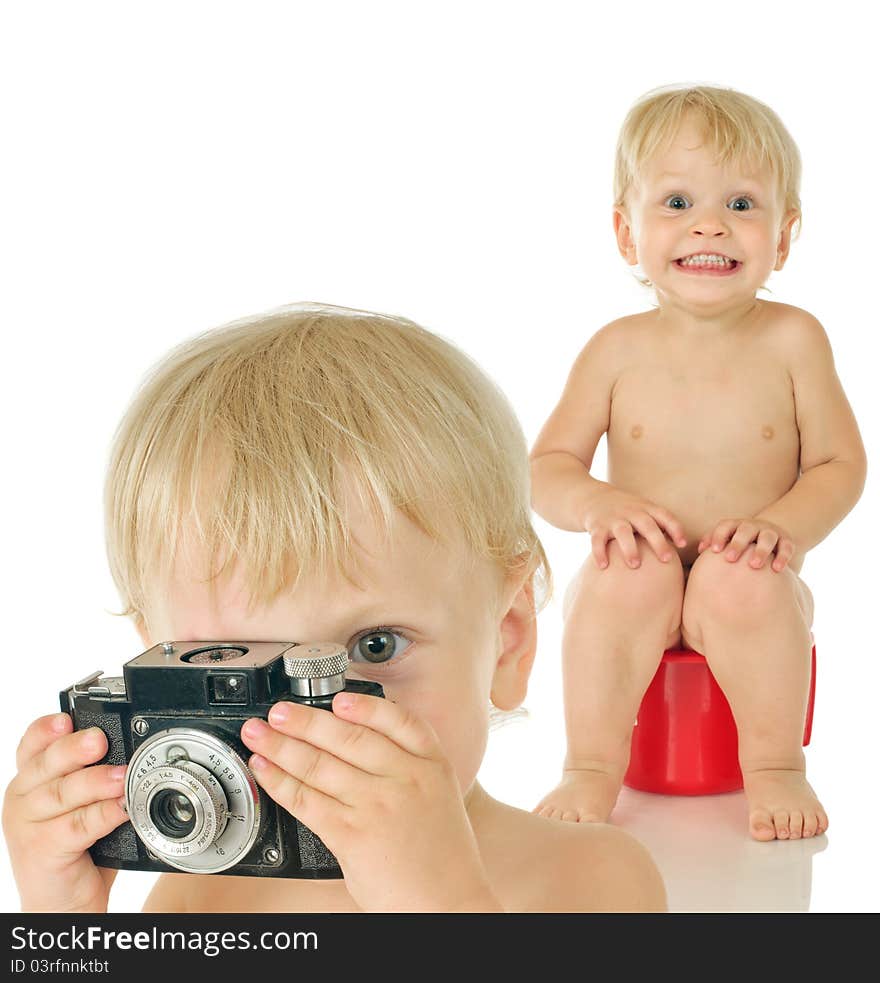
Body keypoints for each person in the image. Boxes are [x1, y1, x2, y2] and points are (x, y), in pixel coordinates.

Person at [3, 302, 666, 912]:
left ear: (508, 640)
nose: (300, 723)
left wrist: (443, 903)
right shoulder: (195, 896)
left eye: (375, 646)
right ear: (158, 674)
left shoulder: (591, 877)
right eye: (236, 662)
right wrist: (64, 918)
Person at [531, 84, 867, 842]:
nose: (710, 224)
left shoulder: (794, 340)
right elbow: (547, 463)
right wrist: (597, 506)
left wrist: (780, 527)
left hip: (750, 576)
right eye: (676, 202)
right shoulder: (615, 348)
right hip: (639, 566)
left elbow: (841, 463)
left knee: (740, 582)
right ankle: (589, 763)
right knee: (622, 579)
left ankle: (777, 765)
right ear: (627, 233)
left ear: (784, 236)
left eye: (742, 205)